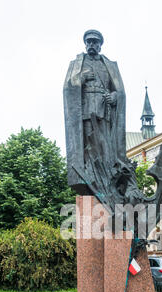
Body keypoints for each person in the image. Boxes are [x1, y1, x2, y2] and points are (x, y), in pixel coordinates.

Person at [64, 30, 126, 195]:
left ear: (100, 45)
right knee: (88, 145)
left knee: (105, 145)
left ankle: (106, 174)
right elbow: (68, 86)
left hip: (104, 110)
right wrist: (82, 78)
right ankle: (90, 174)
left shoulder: (110, 65)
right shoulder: (77, 63)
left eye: (95, 42)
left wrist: (114, 96)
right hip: (85, 110)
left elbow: (119, 91)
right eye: (89, 42)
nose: (91, 45)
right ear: (85, 44)